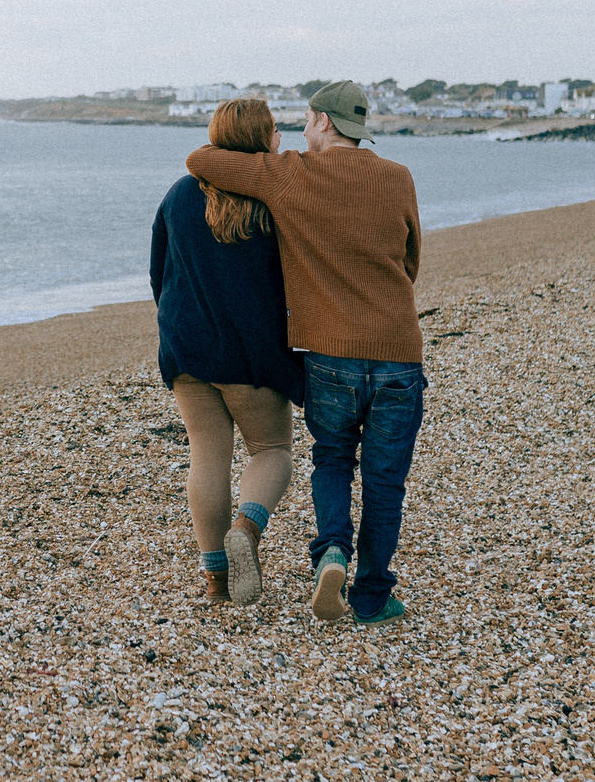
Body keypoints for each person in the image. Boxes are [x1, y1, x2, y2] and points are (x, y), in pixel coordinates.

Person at [185, 80, 423, 625]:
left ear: (320, 121)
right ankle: (371, 598)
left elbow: (201, 159)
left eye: (305, 121)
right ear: (358, 129)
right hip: (397, 351)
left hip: (330, 355)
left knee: (333, 459)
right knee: (386, 481)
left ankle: (332, 552)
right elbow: (410, 259)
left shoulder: (291, 173)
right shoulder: (397, 176)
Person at [150, 98, 305, 605]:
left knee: (206, 458)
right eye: (276, 130)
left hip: (187, 349)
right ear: (260, 138)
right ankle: (248, 529)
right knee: (273, 451)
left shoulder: (178, 195)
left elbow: (159, 273)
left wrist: (179, 325)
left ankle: (216, 580)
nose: (281, 137)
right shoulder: (273, 199)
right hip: (250, 356)